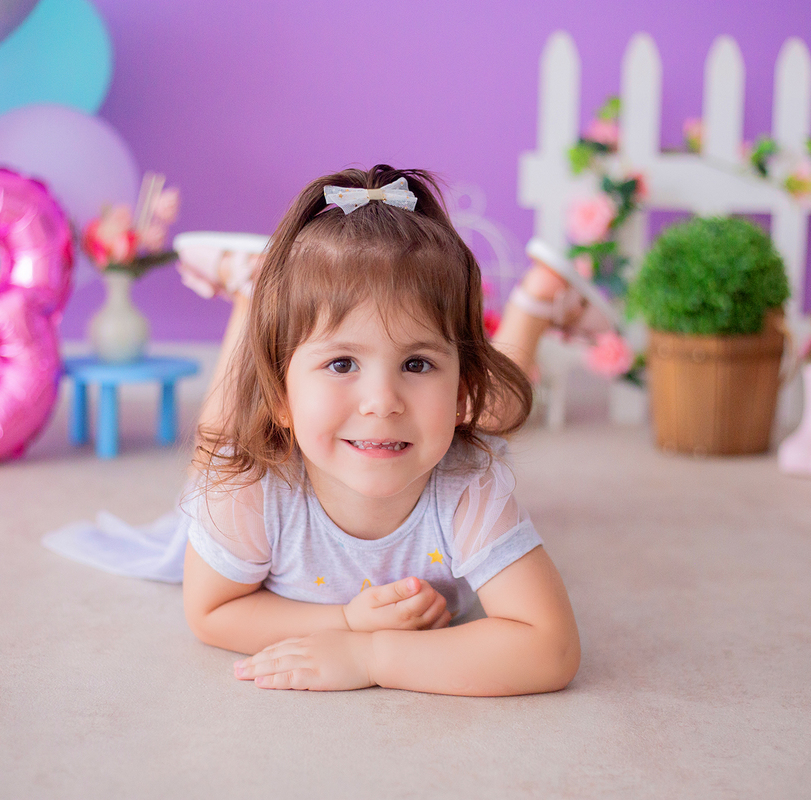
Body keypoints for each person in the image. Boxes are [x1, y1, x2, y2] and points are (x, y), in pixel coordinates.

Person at [179, 165, 592, 696]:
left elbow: (552, 648)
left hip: (455, 421)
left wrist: (372, 655)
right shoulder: (249, 492)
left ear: (460, 391)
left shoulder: (468, 489)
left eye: (417, 363)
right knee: (217, 441)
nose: (382, 402)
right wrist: (345, 623)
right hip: (258, 452)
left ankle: (536, 302)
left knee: (497, 411)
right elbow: (211, 611)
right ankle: (249, 289)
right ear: (282, 397)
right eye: (342, 363)